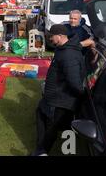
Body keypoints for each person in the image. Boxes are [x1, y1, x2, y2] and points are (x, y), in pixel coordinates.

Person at [33, 24, 85, 156]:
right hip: (53, 96)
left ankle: (42, 151)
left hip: (60, 99)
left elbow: (74, 81)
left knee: (51, 128)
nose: (50, 38)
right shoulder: (62, 48)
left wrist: (81, 95)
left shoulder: (68, 55)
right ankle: (41, 149)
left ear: (60, 36)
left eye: (52, 36)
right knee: (40, 114)